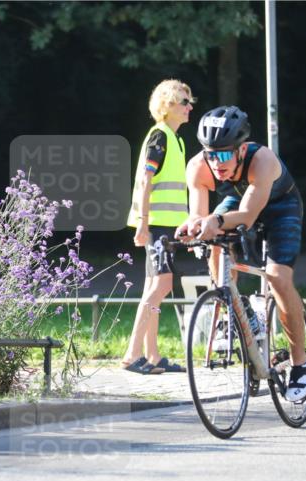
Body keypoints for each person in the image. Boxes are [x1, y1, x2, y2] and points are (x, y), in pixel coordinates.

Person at [175, 105, 306, 401]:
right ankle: (239, 310)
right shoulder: (198, 167)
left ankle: (301, 364)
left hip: (279, 207)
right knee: (213, 244)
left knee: (277, 278)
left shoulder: (261, 159)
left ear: (240, 149)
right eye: (211, 154)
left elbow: (249, 216)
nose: (217, 162)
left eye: (224, 154)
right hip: (236, 201)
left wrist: (215, 221)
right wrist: (192, 227)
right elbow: (199, 217)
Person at [120, 79, 195, 375]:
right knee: (161, 285)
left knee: (155, 286)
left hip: (167, 225)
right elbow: (145, 179)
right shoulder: (160, 136)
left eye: (190, 102)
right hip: (157, 226)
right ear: (168, 106)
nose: (190, 107)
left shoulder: (176, 139)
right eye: (184, 102)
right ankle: (132, 354)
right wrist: (143, 224)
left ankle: (152, 355)